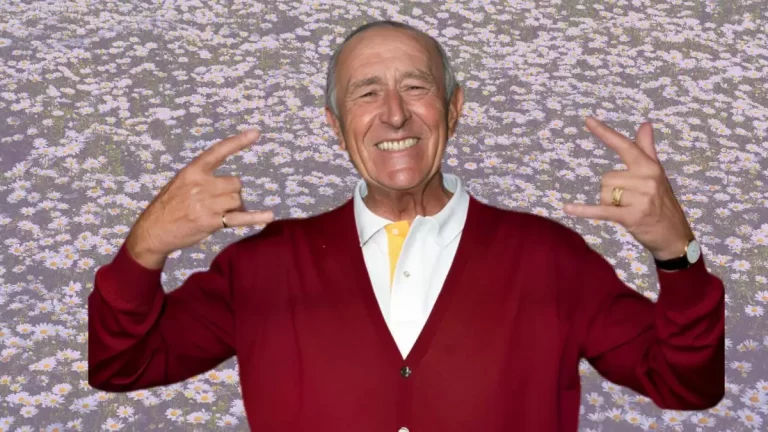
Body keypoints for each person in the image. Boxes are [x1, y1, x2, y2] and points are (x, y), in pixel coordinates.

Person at [88, 20, 725, 432]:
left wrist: (677, 253)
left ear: (454, 108)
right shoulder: (260, 267)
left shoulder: (550, 258)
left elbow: (685, 383)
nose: (394, 114)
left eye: (415, 87)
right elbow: (121, 366)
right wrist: (145, 247)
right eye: (366, 93)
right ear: (335, 127)